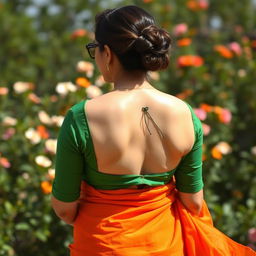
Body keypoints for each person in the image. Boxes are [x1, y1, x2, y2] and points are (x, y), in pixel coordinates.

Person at [51, 5, 256, 256]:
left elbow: (64, 209)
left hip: (103, 246)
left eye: (95, 50)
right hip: (166, 246)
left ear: (108, 53)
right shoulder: (184, 114)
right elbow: (193, 202)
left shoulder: (81, 117)